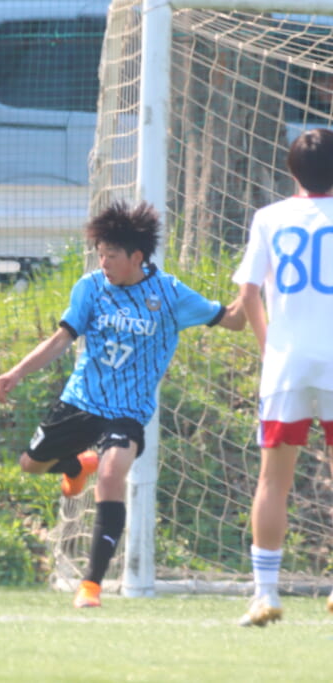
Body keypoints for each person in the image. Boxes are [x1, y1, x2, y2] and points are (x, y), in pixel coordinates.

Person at [0, 200, 244, 609]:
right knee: (30, 465)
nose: (104, 262)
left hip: (128, 412)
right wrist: (16, 373)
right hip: (80, 401)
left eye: (111, 255)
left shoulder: (170, 294)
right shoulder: (90, 287)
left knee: (111, 476)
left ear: (137, 257)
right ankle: (77, 465)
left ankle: (90, 585)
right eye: (100, 254)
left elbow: (233, 320)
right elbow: (61, 340)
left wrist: (252, 287)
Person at [232, 128, 333, 627]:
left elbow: (248, 293)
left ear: (291, 171)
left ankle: (266, 594)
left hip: (287, 364)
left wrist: (268, 345)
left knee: (274, 480)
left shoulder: (269, 217)